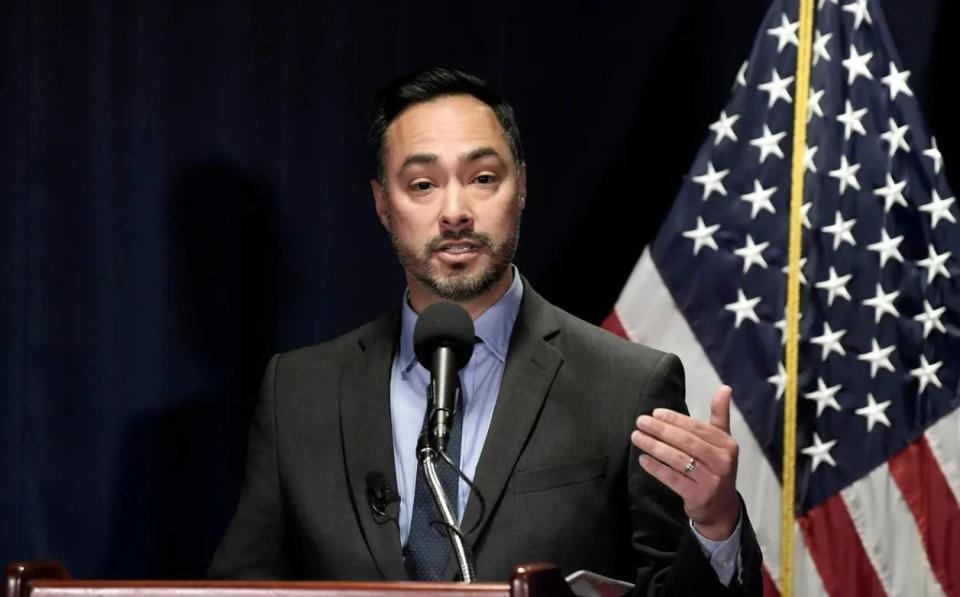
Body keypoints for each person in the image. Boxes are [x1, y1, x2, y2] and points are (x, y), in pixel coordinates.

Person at [208, 67, 762, 595]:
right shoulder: (299, 392)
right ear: (382, 203)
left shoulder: (627, 385)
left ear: (521, 187)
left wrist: (715, 525)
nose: (455, 211)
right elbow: (238, 591)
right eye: (422, 184)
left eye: (482, 179)